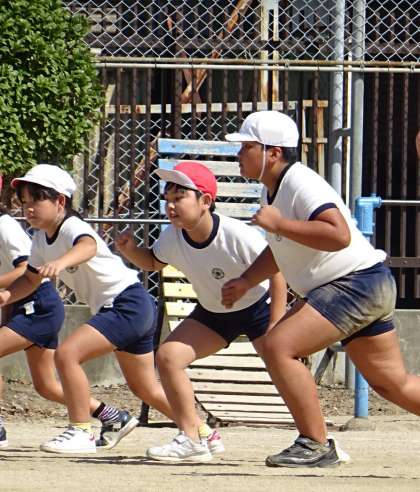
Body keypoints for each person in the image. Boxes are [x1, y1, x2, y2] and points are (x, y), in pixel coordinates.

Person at [221, 110, 420, 468]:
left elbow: (338, 234)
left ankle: (314, 444)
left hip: (353, 284)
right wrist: (248, 279)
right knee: (392, 384)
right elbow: (283, 247)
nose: (238, 155)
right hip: (364, 283)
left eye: (246, 147)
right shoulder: (273, 189)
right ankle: (313, 443)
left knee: (279, 346)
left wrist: (279, 224)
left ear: (272, 153)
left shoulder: (300, 182)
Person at [116, 161, 287, 462]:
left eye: (179, 197)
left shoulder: (237, 234)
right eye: (167, 199)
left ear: (205, 201)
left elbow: (277, 271)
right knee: (168, 357)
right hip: (214, 313)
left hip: (258, 309)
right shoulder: (172, 236)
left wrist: (276, 322)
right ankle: (192, 439)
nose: (171, 206)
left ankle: (316, 439)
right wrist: (130, 250)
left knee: (285, 370)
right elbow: (154, 262)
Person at [0, 164, 174, 454]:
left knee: (68, 354)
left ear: (60, 201)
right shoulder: (41, 238)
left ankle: (81, 432)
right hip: (130, 304)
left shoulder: (72, 226)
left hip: (126, 303)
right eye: (25, 201)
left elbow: (88, 246)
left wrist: (61, 262)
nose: (29, 208)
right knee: (145, 388)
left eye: (37, 200)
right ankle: (201, 432)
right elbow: (29, 279)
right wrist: (6, 295)